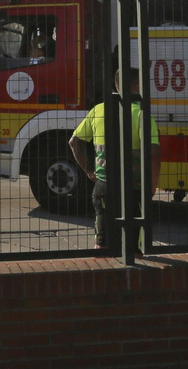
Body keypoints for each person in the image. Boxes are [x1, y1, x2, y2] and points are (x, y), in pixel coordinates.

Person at [69, 70, 161, 254]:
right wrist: (151, 186)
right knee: (133, 248)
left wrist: (89, 170)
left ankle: (102, 271)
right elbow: (153, 153)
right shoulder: (142, 115)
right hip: (133, 188)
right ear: (137, 86)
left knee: (102, 245)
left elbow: (74, 142)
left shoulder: (98, 110)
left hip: (104, 186)